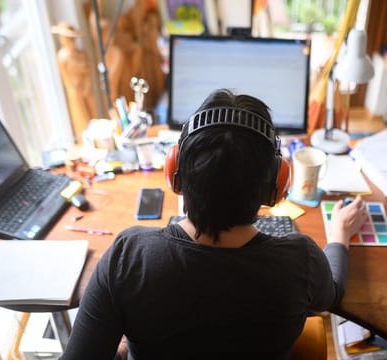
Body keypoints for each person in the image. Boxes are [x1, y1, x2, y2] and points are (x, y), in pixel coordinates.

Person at [60, 89, 366, 359]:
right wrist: (338, 235)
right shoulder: (301, 260)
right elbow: (332, 295)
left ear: (175, 171)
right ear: (276, 184)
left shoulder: (128, 257)